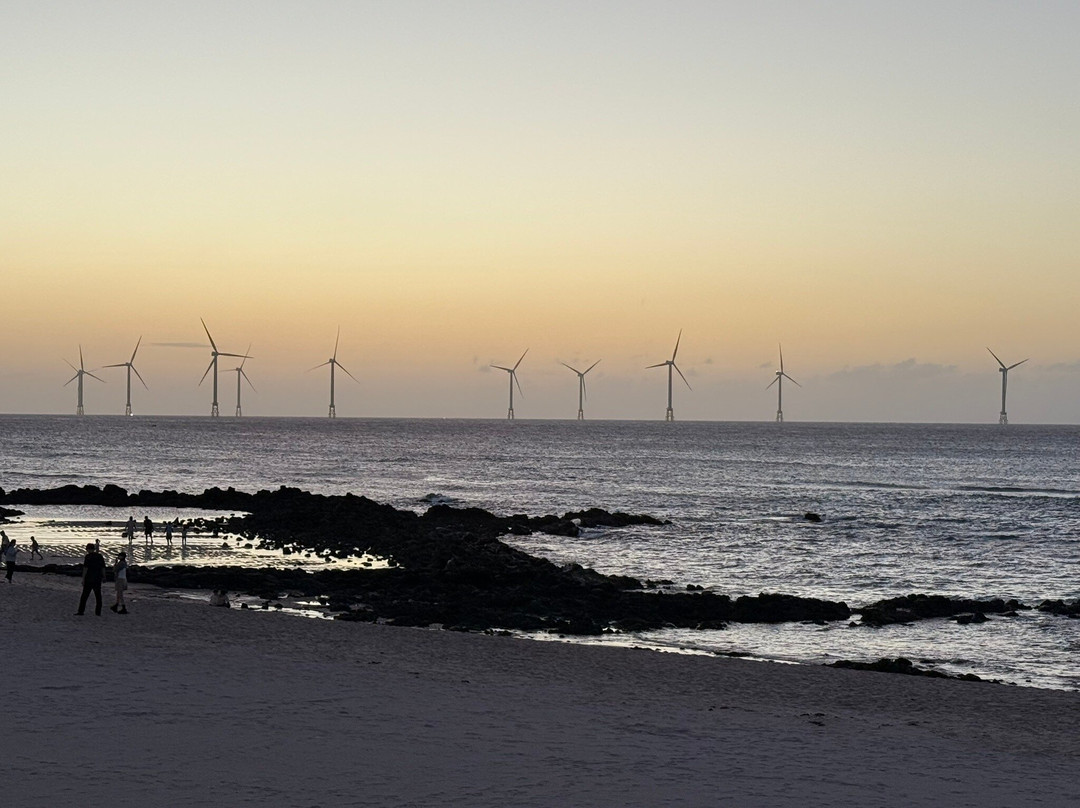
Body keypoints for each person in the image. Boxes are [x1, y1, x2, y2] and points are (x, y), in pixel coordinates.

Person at [76, 543, 107, 616]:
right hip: (97, 578)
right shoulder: (100, 556)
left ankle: (81, 611)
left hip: (89, 578)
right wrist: (104, 576)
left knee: (84, 596)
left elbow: (85, 568)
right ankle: (98, 612)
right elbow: (103, 567)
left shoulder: (88, 557)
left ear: (88, 549)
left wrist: (83, 578)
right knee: (98, 596)